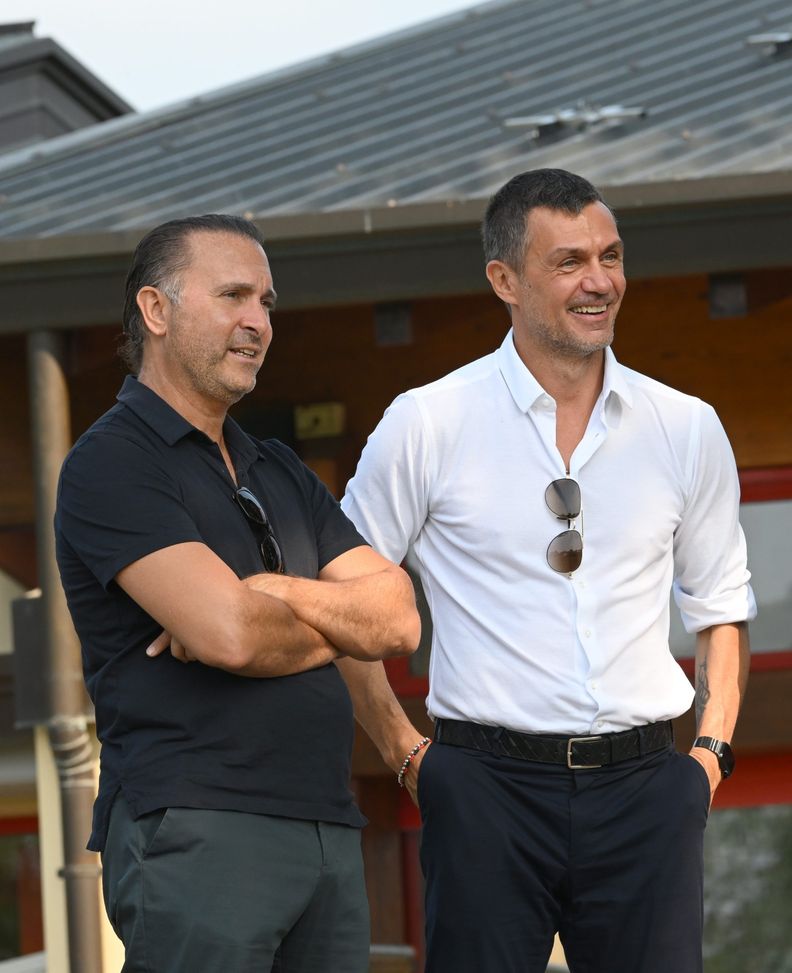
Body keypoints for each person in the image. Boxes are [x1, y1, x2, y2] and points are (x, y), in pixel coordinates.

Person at [339, 169, 755, 973]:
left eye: (611, 256)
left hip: (648, 791)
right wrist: (406, 754)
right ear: (505, 280)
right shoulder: (428, 422)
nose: (599, 281)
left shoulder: (687, 427)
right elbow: (343, 603)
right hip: (482, 790)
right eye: (568, 262)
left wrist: (705, 762)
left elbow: (721, 609)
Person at [54, 214, 420, 973]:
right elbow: (232, 636)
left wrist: (269, 592)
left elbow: (397, 616)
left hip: (323, 823)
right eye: (233, 296)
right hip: (200, 826)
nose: (257, 322)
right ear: (157, 310)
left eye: (266, 302)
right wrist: (320, 614)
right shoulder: (113, 462)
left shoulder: (275, 466)